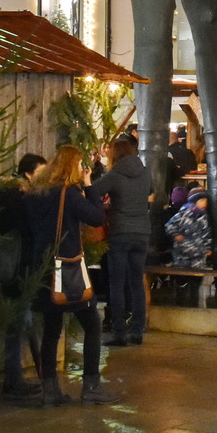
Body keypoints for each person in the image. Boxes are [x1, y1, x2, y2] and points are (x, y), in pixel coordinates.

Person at [24, 145, 118, 405]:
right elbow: (97, 217)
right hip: (67, 270)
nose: (82, 170)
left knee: (52, 331)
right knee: (92, 324)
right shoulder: (69, 194)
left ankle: (50, 392)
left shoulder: (36, 194)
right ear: (72, 166)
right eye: (80, 165)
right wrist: (89, 186)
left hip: (43, 269)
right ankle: (91, 387)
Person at [0, 152, 47, 398]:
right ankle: (13, 381)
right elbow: (26, 228)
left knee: (19, 324)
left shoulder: (14, 196)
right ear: (28, 173)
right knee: (17, 325)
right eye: (40, 172)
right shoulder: (16, 198)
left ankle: (15, 378)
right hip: (18, 270)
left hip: (18, 268)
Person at [89, 136, 151, 347]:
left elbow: (92, 192)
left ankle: (118, 333)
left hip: (120, 233)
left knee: (116, 283)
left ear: (115, 154)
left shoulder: (114, 175)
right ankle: (137, 331)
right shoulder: (145, 172)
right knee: (136, 283)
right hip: (142, 232)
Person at [167, 188, 212, 268]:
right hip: (182, 255)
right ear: (194, 202)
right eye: (202, 201)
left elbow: (206, 233)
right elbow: (170, 225)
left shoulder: (203, 216)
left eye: (206, 201)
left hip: (199, 256)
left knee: (197, 277)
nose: (205, 203)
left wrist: (207, 248)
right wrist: (175, 235)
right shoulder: (183, 214)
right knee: (182, 277)